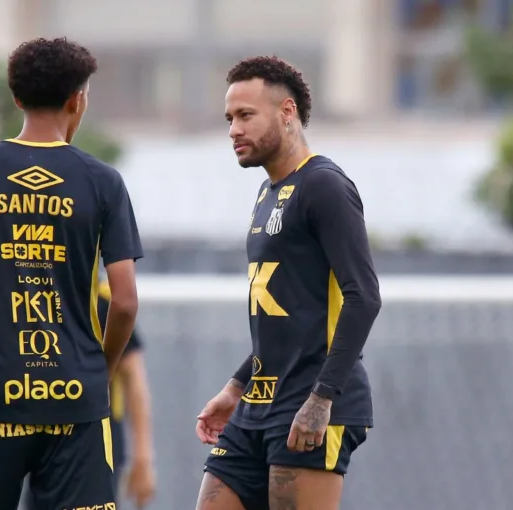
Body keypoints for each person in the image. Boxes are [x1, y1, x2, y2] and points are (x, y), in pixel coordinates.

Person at [0, 37, 143, 510]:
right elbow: (124, 302)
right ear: (77, 99)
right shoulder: (103, 181)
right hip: (76, 399)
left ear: (16, 97)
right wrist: (97, 371)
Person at [195, 56, 382, 510]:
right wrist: (236, 387)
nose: (234, 130)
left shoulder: (324, 186)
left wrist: (321, 400)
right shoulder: (267, 192)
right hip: (258, 404)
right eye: (229, 119)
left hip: (309, 401)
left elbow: (364, 297)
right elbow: (287, 318)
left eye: (245, 116)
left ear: (286, 112)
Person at [23, 280, 156, 509]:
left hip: (97, 439)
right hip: (44, 438)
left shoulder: (102, 298)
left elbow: (134, 376)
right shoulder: (33, 295)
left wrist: (143, 457)